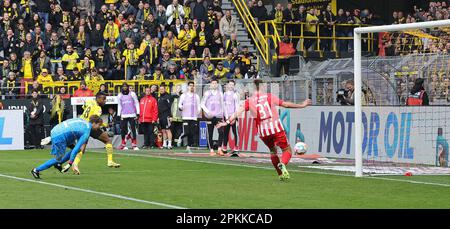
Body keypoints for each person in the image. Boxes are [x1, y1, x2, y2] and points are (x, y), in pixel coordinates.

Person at [217, 79, 312, 181]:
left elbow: (238, 112)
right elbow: (286, 105)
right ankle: (283, 164)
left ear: (253, 88)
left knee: (273, 151)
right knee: (287, 150)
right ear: (262, 87)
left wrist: (226, 122)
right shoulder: (269, 96)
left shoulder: (249, 101)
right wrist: (302, 105)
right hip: (276, 128)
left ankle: (280, 174)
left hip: (263, 132)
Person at [41, 92, 121, 174]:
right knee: (107, 140)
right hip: (88, 128)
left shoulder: (89, 101)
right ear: (98, 98)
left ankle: (73, 164)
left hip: (81, 124)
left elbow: (84, 107)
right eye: (103, 99)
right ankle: (109, 161)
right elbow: (96, 120)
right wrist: (105, 125)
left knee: (81, 148)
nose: (105, 101)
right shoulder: (98, 109)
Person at [31, 115, 104, 179]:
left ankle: (58, 163)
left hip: (57, 130)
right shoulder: (87, 131)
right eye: (99, 125)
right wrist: (70, 163)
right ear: (94, 123)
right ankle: (36, 170)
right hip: (60, 136)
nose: (99, 128)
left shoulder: (82, 120)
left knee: (75, 150)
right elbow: (76, 149)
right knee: (58, 159)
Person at [201, 78, 225, 156]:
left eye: (215, 83)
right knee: (210, 133)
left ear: (217, 85)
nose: (214, 85)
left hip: (218, 116)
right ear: (210, 85)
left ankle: (219, 149)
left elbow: (223, 105)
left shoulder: (220, 94)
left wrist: (223, 115)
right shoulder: (207, 93)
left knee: (221, 132)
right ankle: (211, 150)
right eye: (213, 83)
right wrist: (208, 112)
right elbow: (202, 104)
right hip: (210, 116)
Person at [178, 81, 201, 153]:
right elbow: (179, 105)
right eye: (190, 85)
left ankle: (188, 147)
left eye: (193, 86)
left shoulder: (196, 96)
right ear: (187, 87)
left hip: (193, 117)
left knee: (192, 133)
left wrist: (198, 112)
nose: (191, 87)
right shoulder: (183, 95)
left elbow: (199, 106)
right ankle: (180, 137)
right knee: (187, 131)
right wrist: (181, 107)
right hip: (186, 116)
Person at [118, 83, 140, 150]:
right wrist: (119, 114)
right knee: (123, 130)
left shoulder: (132, 94)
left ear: (127, 87)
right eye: (123, 87)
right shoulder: (119, 95)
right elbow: (119, 105)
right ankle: (123, 144)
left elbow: (136, 103)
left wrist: (138, 113)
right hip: (124, 115)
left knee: (133, 130)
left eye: (126, 86)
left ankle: (134, 145)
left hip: (132, 114)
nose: (124, 88)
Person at [223, 80, 240, 156]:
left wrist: (234, 116)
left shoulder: (235, 95)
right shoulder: (225, 94)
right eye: (230, 84)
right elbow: (224, 106)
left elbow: (237, 106)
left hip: (233, 116)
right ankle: (224, 148)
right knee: (226, 132)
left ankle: (236, 148)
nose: (231, 86)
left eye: (232, 85)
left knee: (235, 133)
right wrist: (227, 117)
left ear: (234, 86)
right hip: (227, 116)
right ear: (227, 85)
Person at [158, 84, 174, 149]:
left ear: (165, 89)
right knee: (163, 130)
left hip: (166, 115)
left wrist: (170, 116)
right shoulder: (159, 97)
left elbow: (170, 107)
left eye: (162, 89)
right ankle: (164, 143)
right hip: (161, 116)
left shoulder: (168, 97)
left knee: (168, 130)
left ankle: (169, 144)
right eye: (160, 89)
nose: (161, 90)